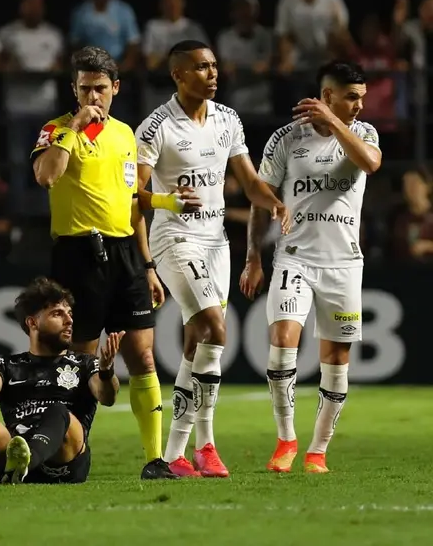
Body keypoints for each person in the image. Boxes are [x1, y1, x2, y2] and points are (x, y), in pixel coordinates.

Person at [134, 40, 291, 478]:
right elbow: (133, 198)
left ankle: (189, 451)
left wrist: (275, 203)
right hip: (174, 240)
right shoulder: (156, 127)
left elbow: (250, 180)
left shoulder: (228, 119)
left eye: (214, 66)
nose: (212, 73)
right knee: (214, 329)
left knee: (197, 340)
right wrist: (166, 200)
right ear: (178, 75)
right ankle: (192, 447)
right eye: (201, 68)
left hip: (216, 243)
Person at [30, 46, 176, 480]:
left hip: (126, 254)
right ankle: (74, 454)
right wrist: (73, 128)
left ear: (116, 88)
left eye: (100, 88)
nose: (92, 96)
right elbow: (47, 176)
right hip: (78, 255)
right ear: (73, 90)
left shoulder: (126, 135)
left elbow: (132, 203)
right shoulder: (55, 129)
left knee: (144, 357)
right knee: (81, 362)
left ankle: (154, 458)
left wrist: (149, 264)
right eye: (84, 89)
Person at [240, 61, 381, 474]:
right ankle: (286, 439)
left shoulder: (363, 132)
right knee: (283, 340)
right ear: (327, 94)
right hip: (294, 257)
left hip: (343, 264)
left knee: (336, 359)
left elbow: (370, 163)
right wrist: (253, 257)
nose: (359, 105)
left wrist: (337, 123)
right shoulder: (287, 138)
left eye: (362, 98)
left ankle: (318, 451)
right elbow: (260, 198)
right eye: (351, 97)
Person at [0, 277, 119, 484]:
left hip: (64, 461)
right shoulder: (8, 365)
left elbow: (106, 397)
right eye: (57, 314)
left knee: (58, 411)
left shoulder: (84, 363)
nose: (69, 320)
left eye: (69, 314)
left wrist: (106, 372)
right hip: (13, 453)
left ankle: (25, 463)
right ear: (32, 322)